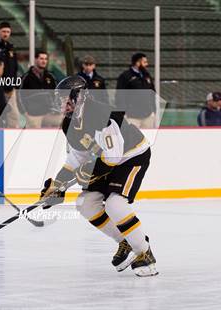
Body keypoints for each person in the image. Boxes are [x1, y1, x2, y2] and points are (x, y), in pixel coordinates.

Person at [40, 76, 158, 277]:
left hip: (132, 156)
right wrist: (57, 184)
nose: (62, 104)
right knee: (85, 203)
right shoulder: (69, 123)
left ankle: (144, 253)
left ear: (82, 96)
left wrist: (86, 173)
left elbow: (114, 156)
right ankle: (125, 241)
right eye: (60, 99)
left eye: (66, 99)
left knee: (115, 204)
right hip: (106, 160)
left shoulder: (102, 114)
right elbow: (77, 155)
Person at [19, 50, 59, 128]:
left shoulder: (51, 76)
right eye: (41, 58)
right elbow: (19, 95)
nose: (44, 61)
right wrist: (24, 112)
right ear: (35, 59)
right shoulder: (26, 77)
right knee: (34, 138)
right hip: (33, 115)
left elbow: (56, 93)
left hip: (48, 114)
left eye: (45, 59)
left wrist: (54, 108)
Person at [116, 52, 156, 128]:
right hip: (132, 117)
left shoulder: (146, 75)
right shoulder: (125, 76)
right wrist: (123, 113)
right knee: (132, 139)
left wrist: (154, 110)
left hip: (148, 116)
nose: (146, 64)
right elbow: (120, 96)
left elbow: (152, 93)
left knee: (148, 139)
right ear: (137, 63)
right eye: (144, 62)